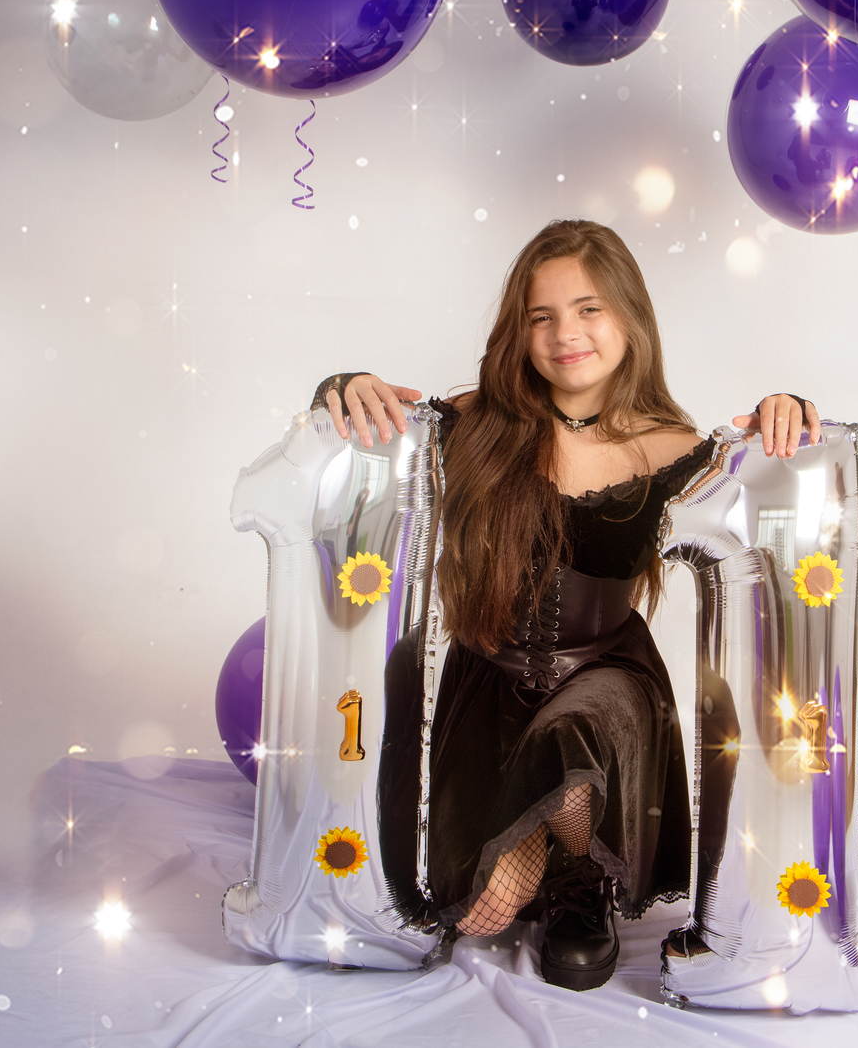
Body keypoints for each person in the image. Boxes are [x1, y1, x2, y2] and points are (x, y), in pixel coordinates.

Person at [310, 220, 819, 991]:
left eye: (588, 309)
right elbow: (352, 441)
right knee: (460, 898)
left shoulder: (677, 449)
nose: (565, 334)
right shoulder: (472, 423)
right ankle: (539, 840)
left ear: (630, 318)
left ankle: (576, 873)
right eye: (540, 316)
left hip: (609, 683)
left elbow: (773, 491)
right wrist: (343, 386)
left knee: (578, 727)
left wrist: (789, 407)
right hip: (486, 691)